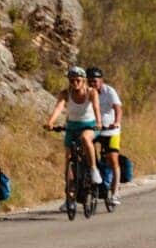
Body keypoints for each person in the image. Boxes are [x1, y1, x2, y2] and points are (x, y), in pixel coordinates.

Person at [46, 67, 103, 191]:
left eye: (77, 80)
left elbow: (96, 108)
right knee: (68, 160)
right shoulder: (65, 93)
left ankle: (93, 169)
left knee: (85, 138)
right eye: (72, 81)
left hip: (90, 125)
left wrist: (99, 122)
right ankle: (69, 197)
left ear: (83, 80)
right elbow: (59, 108)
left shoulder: (91, 92)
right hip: (72, 127)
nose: (75, 83)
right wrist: (50, 122)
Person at [89, 66, 123, 204]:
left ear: (101, 81)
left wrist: (116, 122)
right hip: (94, 128)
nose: (92, 84)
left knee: (113, 159)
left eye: (95, 81)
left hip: (110, 130)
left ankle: (115, 193)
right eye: (89, 81)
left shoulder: (109, 91)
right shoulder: (87, 92)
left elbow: (118, 108)